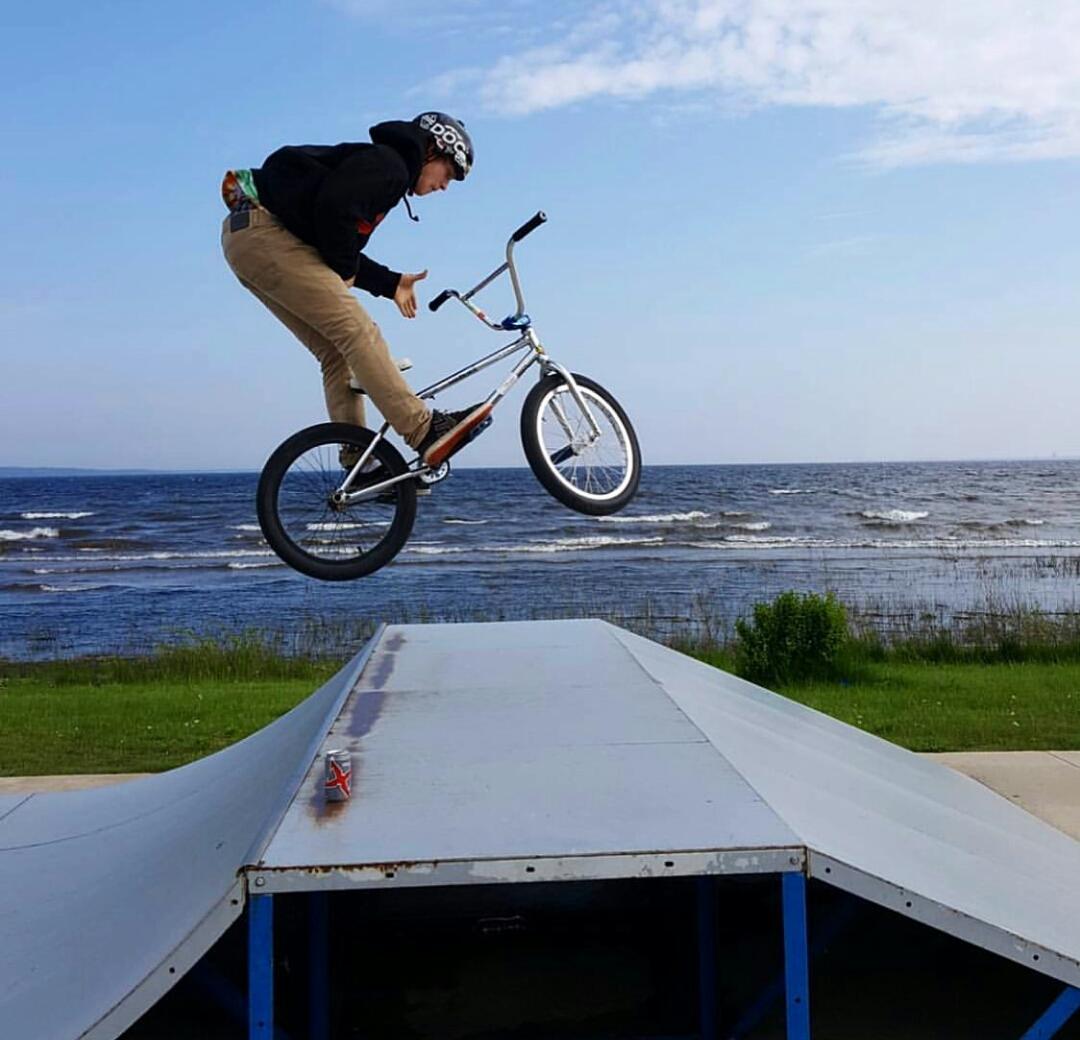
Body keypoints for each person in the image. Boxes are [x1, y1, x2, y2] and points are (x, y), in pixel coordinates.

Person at [220, 112, 491, 470]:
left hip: (248, 239)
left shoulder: (382, 169)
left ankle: (359, 464)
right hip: (264, 233)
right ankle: (424, 429)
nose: (445, 186)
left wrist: (390, 282)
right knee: (359, 332)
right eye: (449, 173)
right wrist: (347, 271)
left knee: (336, 353)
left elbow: (330, 238)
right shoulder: (390, 166)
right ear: (432, 151)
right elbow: (334, 216)